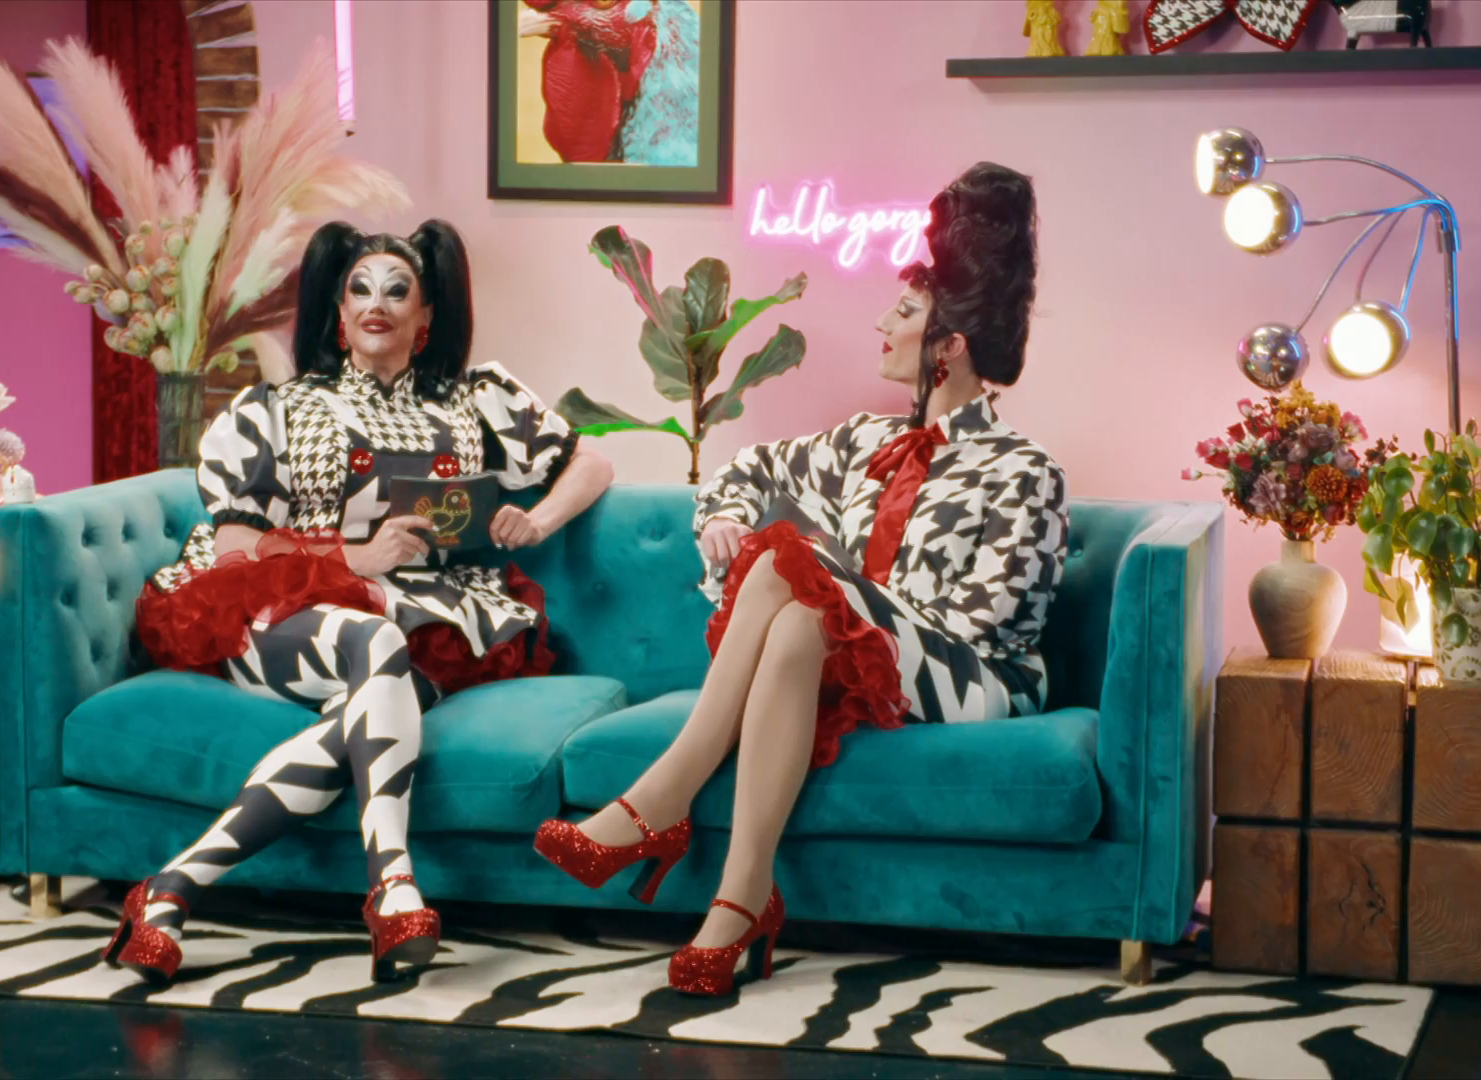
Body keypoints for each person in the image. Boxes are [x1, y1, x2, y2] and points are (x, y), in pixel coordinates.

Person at [533, 163, 1068, 996]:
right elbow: (747, 468)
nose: (882, 325)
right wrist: (723, 516)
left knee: (802, 568)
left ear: (950, 346)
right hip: (860, 651)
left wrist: (857, 605)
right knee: (798, 621)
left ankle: (658, 802)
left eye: (904, 312)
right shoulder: (863, 442)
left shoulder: (1023, 470)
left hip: (976, 680)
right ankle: (742, 899)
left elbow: (994, 625)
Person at [107, 219, 613, 986]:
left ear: (426, 314)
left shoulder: (477, 400)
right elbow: (239, 551)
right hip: (281, 606)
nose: (377, 303)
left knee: (367, 703)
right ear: (339, 313)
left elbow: (592, 462)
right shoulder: (277, 408)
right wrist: (355, 558)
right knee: (375, 645)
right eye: (360, 290)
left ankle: (169, 889)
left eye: (398, 290)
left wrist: (535, 520)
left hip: (427, 615)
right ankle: (394, 884)